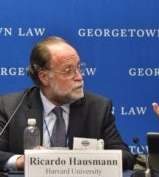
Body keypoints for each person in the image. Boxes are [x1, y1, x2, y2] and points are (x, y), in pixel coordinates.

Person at [0, 36, 135, 171]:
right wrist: (22, 161)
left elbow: (126, 158)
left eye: (78, 67)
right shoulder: (11, 106)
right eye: (68, 71)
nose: (79, 77)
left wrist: (74, 160)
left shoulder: (98, 108)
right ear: (44, 77)